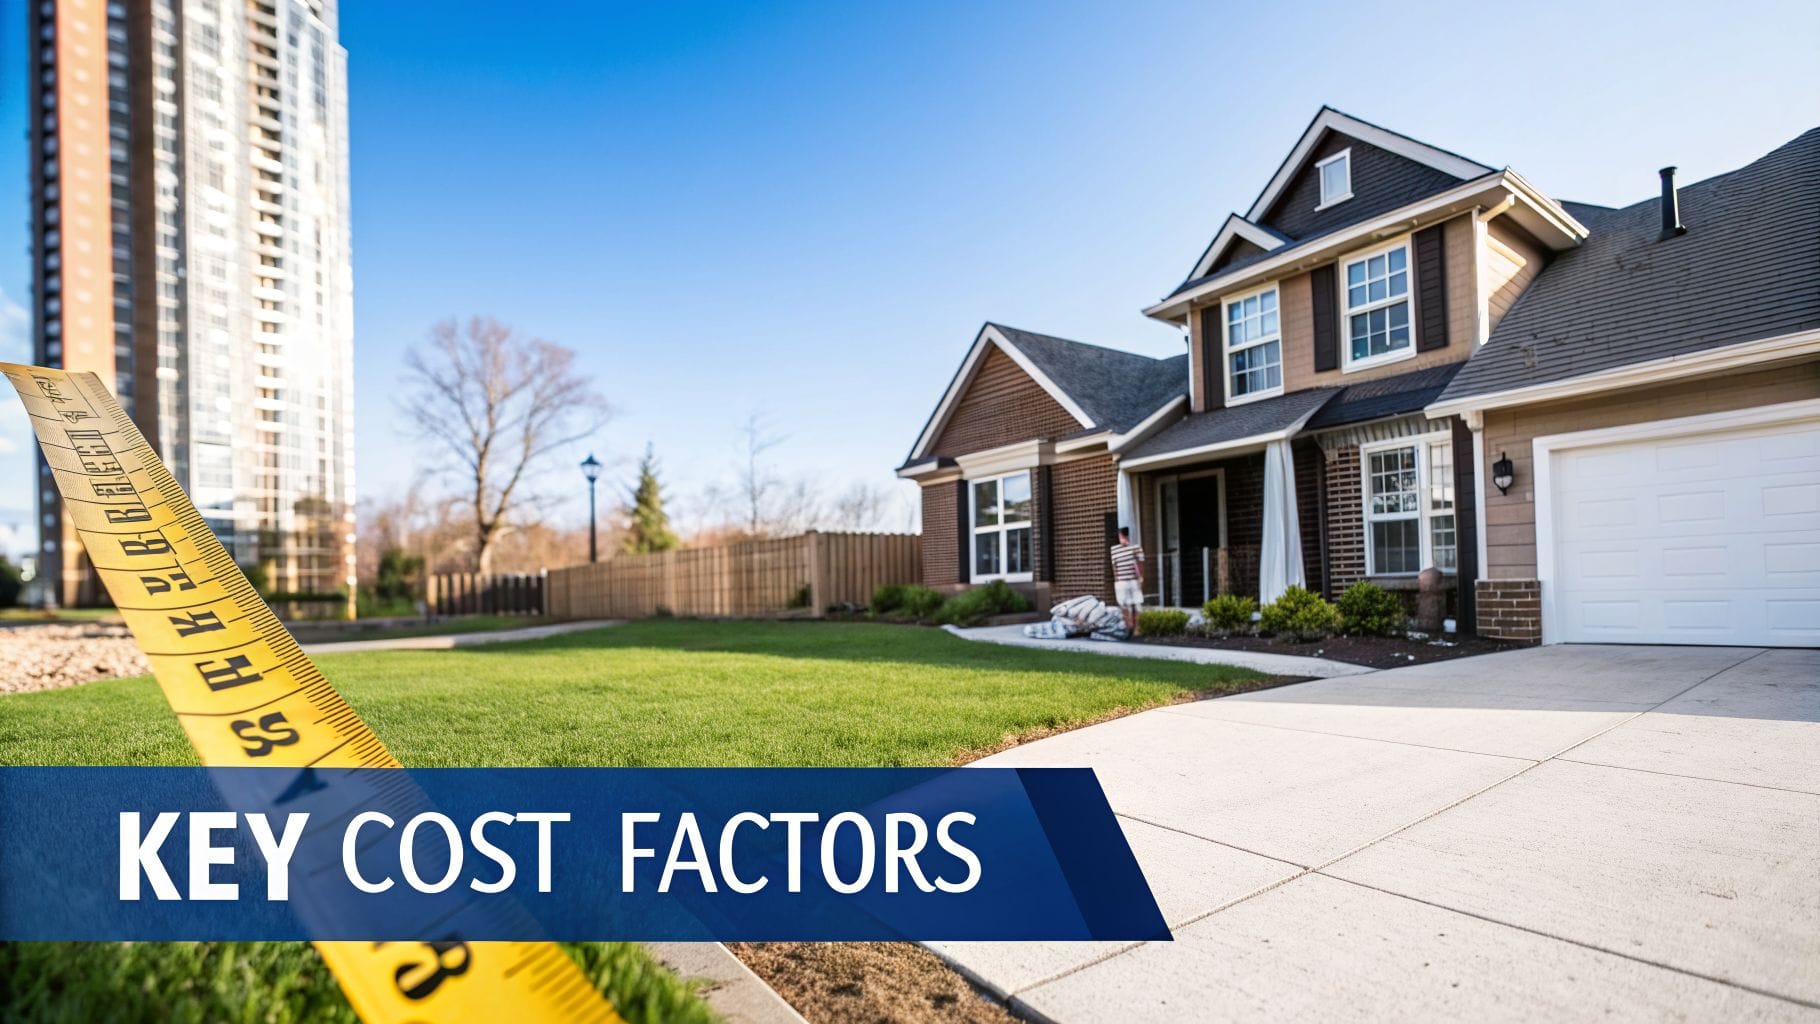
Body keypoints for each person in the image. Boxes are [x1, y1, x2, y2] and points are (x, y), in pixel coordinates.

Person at [1109, 526, 1144, 634]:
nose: (1122, 538)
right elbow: (1114, 566)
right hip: (1122, 581)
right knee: (1124, 605)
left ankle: (1137, 628)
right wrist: (1117, 580)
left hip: (1132, 580)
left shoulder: (1135, 548)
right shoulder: (1114, 549)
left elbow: (1140, 563)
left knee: (1136, 604)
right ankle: (1129, 626)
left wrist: (1141, 578)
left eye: (1123, 536)